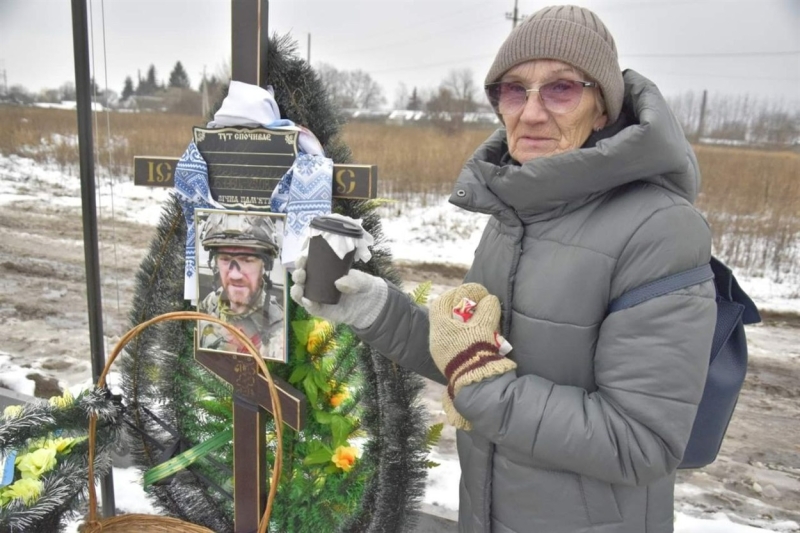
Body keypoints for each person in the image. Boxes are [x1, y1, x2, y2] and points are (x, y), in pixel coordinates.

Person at [291, 5, 716, 533]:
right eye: (513, 90)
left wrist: (479, 384)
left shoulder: (660, 229)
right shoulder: (515, 215)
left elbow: (640, 442)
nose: (531, 112)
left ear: (602, 108)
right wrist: (375, 307)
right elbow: (472, 353)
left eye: (560, 89)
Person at [198, 213, 286, 362]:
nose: (235, 275)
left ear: (265, 265)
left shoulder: (279, 331)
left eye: (247, 260)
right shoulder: (209, 305)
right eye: (225, 259)